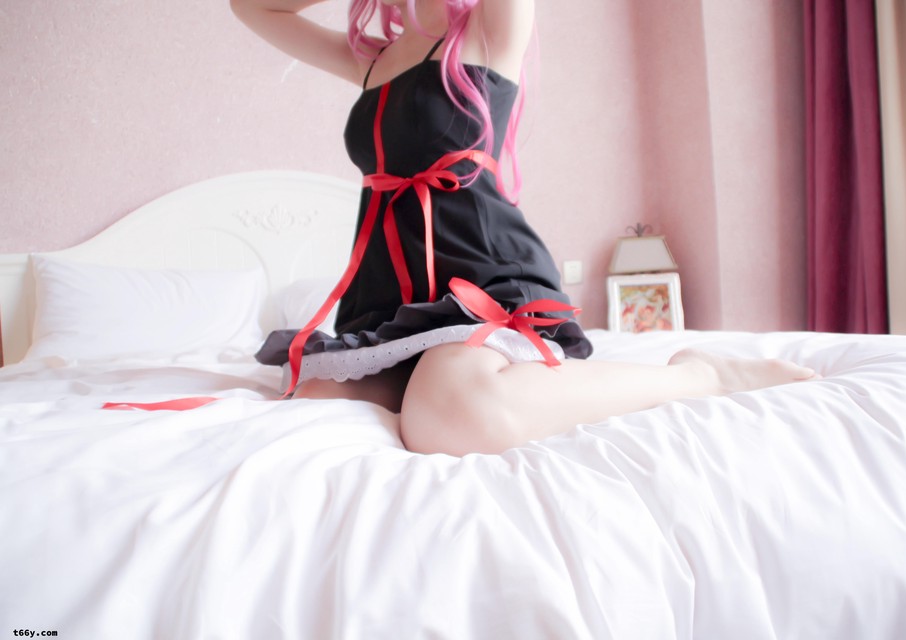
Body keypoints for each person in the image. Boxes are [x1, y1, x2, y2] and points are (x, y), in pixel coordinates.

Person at [231, 0, 817, 456]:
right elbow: (253, 6)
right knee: (316, 396)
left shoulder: (489, 27)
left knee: (450, 413)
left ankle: (698, 376)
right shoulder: (374, 58)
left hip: (482, 278)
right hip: (389, 303)